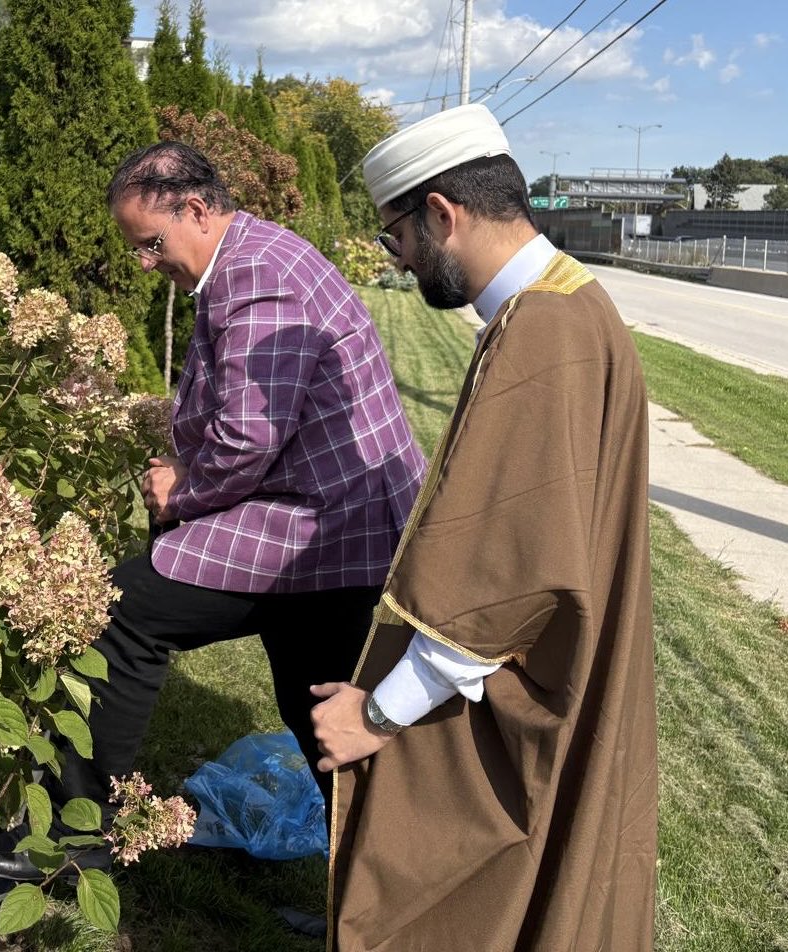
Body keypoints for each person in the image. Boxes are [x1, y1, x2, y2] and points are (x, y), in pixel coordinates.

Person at [0, 141, 427, 884]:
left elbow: (248, 437)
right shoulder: (248, 258)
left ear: (198, 209)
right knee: (322, 708)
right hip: (334, 516)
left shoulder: (257, 278)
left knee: (121, 611)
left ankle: (79, 833)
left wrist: (181, 492)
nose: (145, 263)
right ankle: (380, 902)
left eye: (151, 244)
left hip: (330, 526)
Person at [310, 103, 657, 951]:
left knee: (467, 894)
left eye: (395, 235)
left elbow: (502, 585)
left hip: (529, 690)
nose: (395, 257)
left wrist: (378, 715)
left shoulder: (544, 330)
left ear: (441, 214)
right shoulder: (569, 301)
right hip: (570, 667)